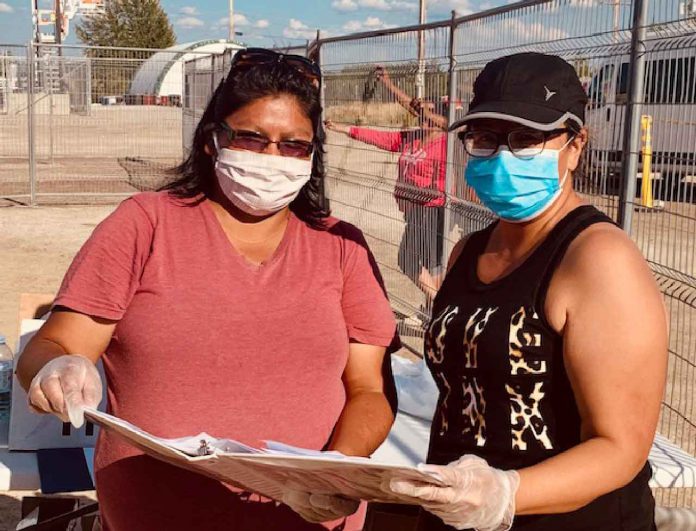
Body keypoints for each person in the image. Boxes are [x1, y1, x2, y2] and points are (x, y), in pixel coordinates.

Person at [16, 48, 397, 531]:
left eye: (294, 145)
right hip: (156, 515)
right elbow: (55, 344)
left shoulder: (342, 247)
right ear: (214, 141)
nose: (273, 157)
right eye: (252, 139)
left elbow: (368, 390)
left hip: (306, 519)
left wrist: (337, 471)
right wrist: (56, 367)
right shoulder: (145, 224)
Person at [381, 52, 667, 530]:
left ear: (576, 145)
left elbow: (621, 447)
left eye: (527, 139)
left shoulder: (598, 260)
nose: (501, 155)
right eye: (485, 138)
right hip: (459, 514)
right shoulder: (469, 250)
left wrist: (507, 492)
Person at [325, 65, 447, 327]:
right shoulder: (412, 137)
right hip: (412, 209)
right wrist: (342, 127)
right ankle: (432, 310)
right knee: (432, 264)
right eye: (419, 112)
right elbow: (377, 137)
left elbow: (433, 116)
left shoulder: (448, 140)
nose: (420, 115)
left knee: (407, 259)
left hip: (431, 208)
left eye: (427, 111)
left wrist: (412, 101)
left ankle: (440, 305)